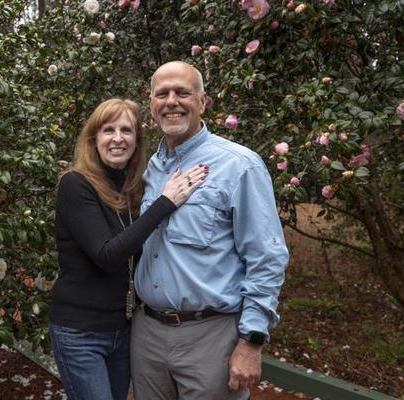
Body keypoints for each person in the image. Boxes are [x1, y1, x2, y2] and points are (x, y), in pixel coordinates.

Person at [131, 61, 289, 400]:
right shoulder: (151, 167)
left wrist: (251, 341)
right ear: (151, 103)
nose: (172, 101)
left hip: (211, 337)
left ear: (203, 102)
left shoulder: (238, 165)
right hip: (147, 335)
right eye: (162, 94)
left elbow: (266, 256)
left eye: (183, 92)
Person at [49, 98, 208, 400]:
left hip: (123, 331)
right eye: (108, 130)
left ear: (137, 140)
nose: (118, 138)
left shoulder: (132, 190)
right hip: (80, 332)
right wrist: (166, 202)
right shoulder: (76, 184)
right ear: (93, 139)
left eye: (127, 130)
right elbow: (107, 255)